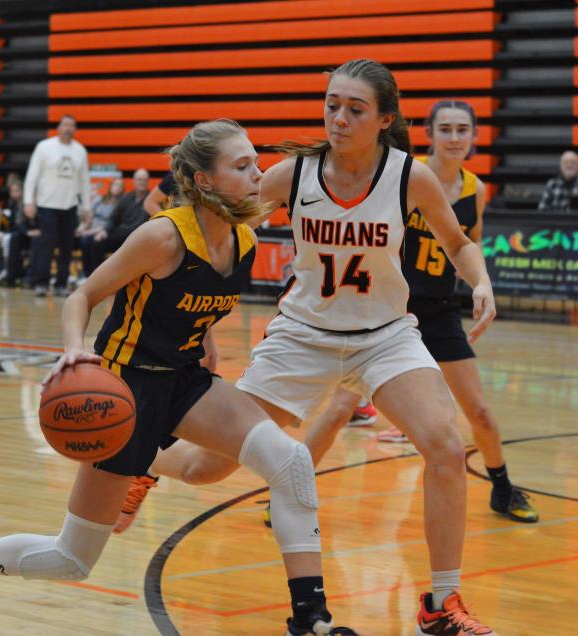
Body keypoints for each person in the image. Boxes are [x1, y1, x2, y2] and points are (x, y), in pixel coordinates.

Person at [0, 119, 357, 636]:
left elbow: (196, 305)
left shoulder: (242, 239)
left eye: (255, 163)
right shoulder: (162, 236)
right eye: (242, 166)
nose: (257, 174)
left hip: (183, 383)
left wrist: (206, 339)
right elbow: (80, 296)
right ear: (205, 181)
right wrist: (73, 354)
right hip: (123, 391)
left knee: (289, 462)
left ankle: (310, 622)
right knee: (71, 559)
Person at [119, 60, 500, 635]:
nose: (339, 118)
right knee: (205, 468)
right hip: (302, 336)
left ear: (384, 119)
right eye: (332, 105)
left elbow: (457, 242)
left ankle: (440, 605)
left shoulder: (409, 177)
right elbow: (210, 235)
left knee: (445, 448)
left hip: (384, 338)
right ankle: (145, 461)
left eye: (355, 109)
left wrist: (482, 281)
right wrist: (197, 318)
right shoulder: (293, 174)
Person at [292, 100, 537, 525]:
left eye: (463, 130)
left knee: (478, 411)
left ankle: (501, 487)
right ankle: (291, 491)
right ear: (431, 133)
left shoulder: (475, 189)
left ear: (475, 136)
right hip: (388, 310)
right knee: (338, 410)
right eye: (446, 129)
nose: (455, 138)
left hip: (440, 310)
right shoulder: (404, 177)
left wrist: (479, 283)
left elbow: (466, 243)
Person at [24, 114, 92, 297]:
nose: (68, 128)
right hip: (47, 204)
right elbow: (32, 176)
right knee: (46, 245)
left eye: (72, 125)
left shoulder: (80, 151)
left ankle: (61, 283)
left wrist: (87, 207)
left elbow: (84, 181)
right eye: (65, 125)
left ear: (75, 129)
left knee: (67, 247)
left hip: (69, 206)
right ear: (58, 127)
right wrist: (28, 201)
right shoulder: (44, 147)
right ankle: (41, 283)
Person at [80, 168, 150, 275]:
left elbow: (139, 225)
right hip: (120, 235)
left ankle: (106, 278)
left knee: (97, 241)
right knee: (97, 242)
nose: (142, 182)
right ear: (134, 181)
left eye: (144, 180)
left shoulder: (150, 200)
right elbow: (113, 217)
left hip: (137, 238)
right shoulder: (127, 197)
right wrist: (105, 230)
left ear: (148, 181)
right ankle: (96, 277)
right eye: (139, 179)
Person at [0, 180, 39, 287]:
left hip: (38, 234)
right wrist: (27, 232)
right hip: (25, 234)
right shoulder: (12, 204)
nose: (14, 193)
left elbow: (38, 221)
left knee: (35, 241)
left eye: (17, 190)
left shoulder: (31, 202)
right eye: (12, 191)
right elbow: (16, 225)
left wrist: (33, 231)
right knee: (14, 238)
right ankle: (11, 275)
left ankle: (31, 276)